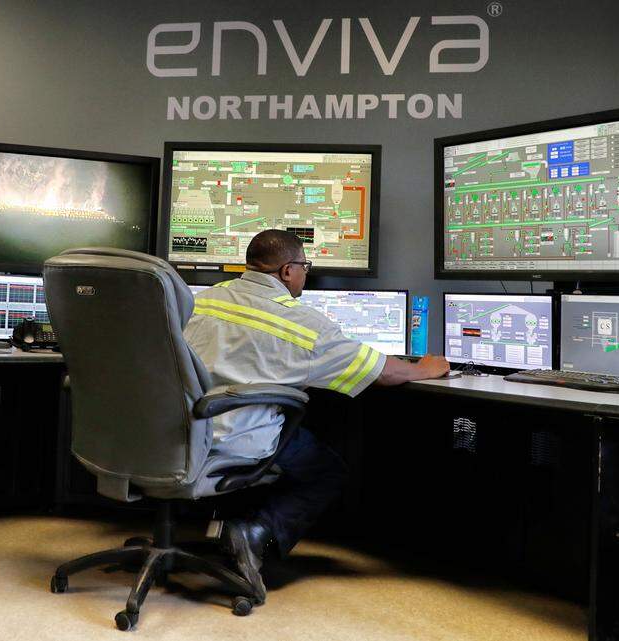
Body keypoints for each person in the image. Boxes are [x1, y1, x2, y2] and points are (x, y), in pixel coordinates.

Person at [183, 229, 451, 602]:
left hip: (179, 432)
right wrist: (426, 367)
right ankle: (254, 532)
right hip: (237, 436)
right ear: (288, 271)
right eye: (305, 268)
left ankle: (227, 527)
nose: (305, 275)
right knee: (327, 470)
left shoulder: (201, 301)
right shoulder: (305, 325)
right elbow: (386, 373)